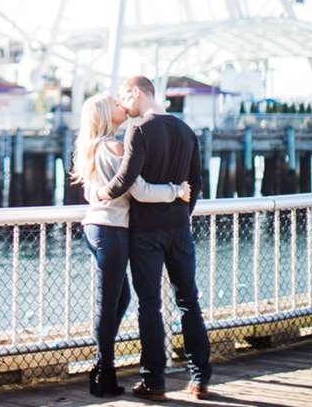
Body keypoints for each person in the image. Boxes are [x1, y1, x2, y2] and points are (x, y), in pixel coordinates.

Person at [94, 75, 210, 401]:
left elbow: (128, 177)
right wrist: (183, 216)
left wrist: (103, 192)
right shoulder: (187, 132)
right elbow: (196, 182)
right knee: (188, 301)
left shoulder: (139, 130)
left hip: (145, 232)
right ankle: (200, 378)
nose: (123, 104)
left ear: (137, 93)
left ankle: (153, 381)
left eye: (124, 96)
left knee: (150, 306)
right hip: (179, 229)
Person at [71, 92, 191, 397]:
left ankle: (102, 364)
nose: (121, 106)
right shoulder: (115, 145)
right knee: (108, 302)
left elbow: (91, 193)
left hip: (96, 228)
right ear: (104, 114)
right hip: (111, 230)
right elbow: (137, 190)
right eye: (114, 104)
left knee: (118, 299)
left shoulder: (94, 147)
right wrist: (176, 191)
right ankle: (103, 374)